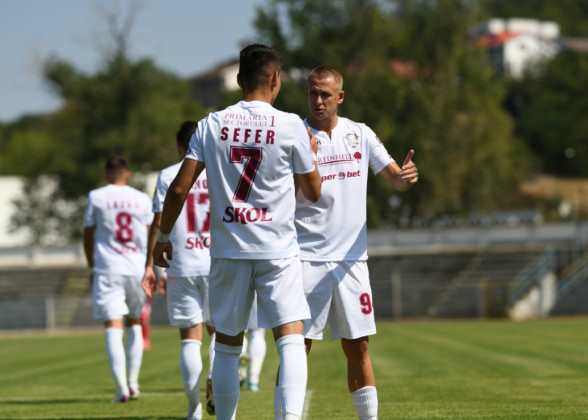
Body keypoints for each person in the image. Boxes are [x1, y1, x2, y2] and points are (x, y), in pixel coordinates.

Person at [152, 43, 322, 420]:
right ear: (276, 79)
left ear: (240, 79)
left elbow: (179, 187)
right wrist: (307, 153)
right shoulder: (292, 124)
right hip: (277, 249)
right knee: (291, 340)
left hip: (228, 248)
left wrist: (163, 239)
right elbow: (313, 191)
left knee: (227, 347)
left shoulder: (211, 123)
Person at [294, 65, 418, 420]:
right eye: (312, 93)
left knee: (359, 347)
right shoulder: (294, 135)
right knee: (296, 348)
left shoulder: (360, 134)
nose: (318, 101)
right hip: (306, 259)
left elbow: (396, 179)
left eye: (325, 95)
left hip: (351, 263)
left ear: (340, 97)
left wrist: (406, 178)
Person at [142, 120, 215, 420]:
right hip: (216, 261)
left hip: (180, 262)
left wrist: (150, 265)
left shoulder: (167, 174)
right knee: (220, 334)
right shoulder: (218, 169)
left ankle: (193, 409)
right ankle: (215, 378)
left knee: (189, 337)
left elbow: (159, 222)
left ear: (178, 147)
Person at [82, 155, 153, 403]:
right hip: (136, 268)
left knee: (113, 327)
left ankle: (121, 388)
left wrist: (92, 267)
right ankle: (133, 383)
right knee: (134, 323)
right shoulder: (141, 198)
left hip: (108, 269)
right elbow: (149, 234)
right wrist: (152, 268)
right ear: (128, 174)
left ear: (106, 174)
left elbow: (88, 234)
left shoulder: (96, 196)